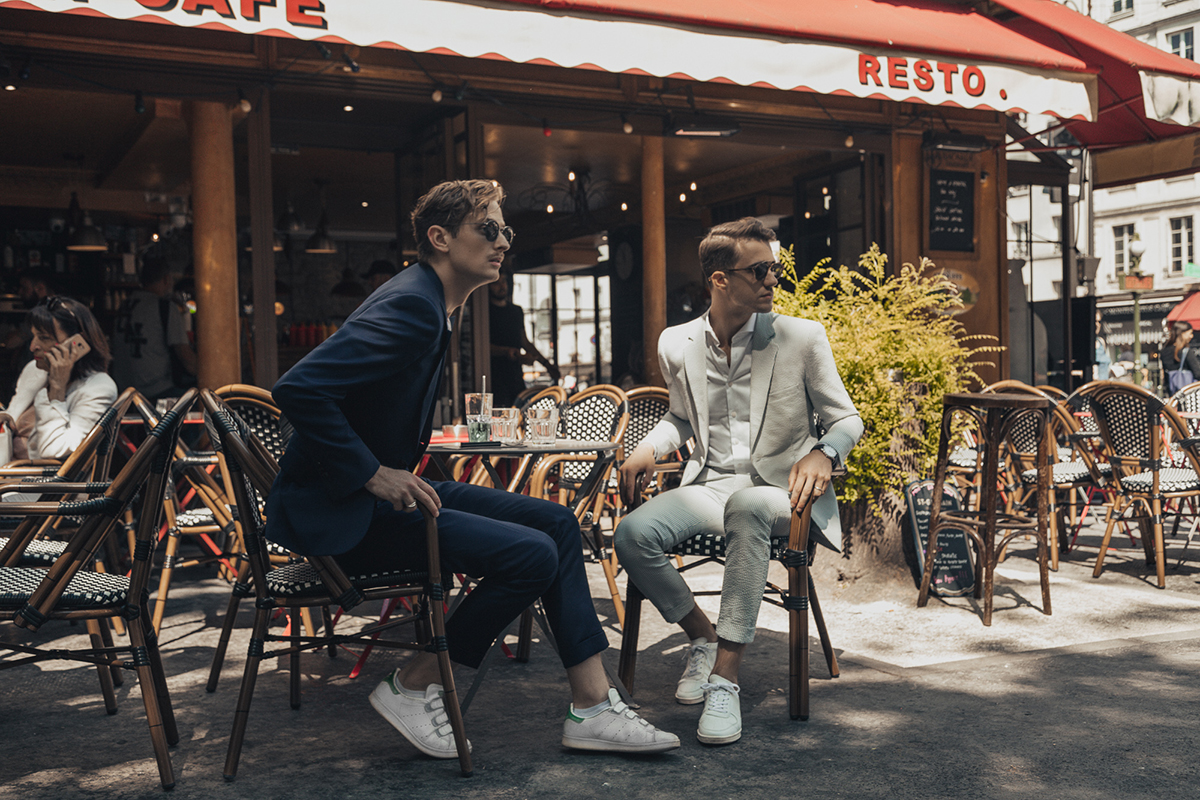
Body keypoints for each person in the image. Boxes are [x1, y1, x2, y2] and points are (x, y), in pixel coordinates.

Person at [265, 179, 678, 760]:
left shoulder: (429, 301)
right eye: (488, 228)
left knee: (557, 525)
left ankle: (592, 705)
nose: (503, 241)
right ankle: (414, 682)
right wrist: (370, 473)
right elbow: (297, 387)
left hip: (365, 498)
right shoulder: (413, 304)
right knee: (530, 555)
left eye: (505, 229)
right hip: (343, 514)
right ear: (439, 238)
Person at [615, 217, 863, 746]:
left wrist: (825, 453)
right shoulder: (677, 343)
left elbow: (847, 419)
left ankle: (724, 678)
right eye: (760, 271)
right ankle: (702, 638)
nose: (774, 280)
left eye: (774, 268)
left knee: (748, 506)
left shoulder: (801, 337)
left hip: (780, 494)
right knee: (632, 534)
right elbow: (681, 418)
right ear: (720, 280)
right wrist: (648, 447)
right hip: (709, 487)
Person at [0, 296, 116, 462]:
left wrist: (57, 389)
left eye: (44, 338)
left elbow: (54, 450)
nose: (33, 346)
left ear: (77, 342)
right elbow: (10, 419)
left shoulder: (99, 388)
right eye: (34, 336)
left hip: (45, 484)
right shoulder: (34, 370)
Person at [110, 258, 197, 400]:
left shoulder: (125, 304)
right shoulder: (165, 307)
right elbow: (186, 357)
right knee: (199, 401)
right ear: (166, 279)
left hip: (123, 392)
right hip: (155, 390)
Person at [488, 269, 560, 405]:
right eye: (496, 283)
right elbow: (482, 346)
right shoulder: (486, 311)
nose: (501, 286)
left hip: (514, 373)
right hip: (493, 373)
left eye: (503, 281)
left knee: (519, 409)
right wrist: (506, 352)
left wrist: (546, 364)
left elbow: (524, 341)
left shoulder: (516, 311)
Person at [1161, 320, 1200, 393]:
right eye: (1190, 333)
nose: (1191, 336)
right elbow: (1197, 373)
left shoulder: (1164, 352)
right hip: (1188, 394)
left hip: (1172, 393)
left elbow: (1165, 376)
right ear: (1182, 333)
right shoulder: (1186, 352)